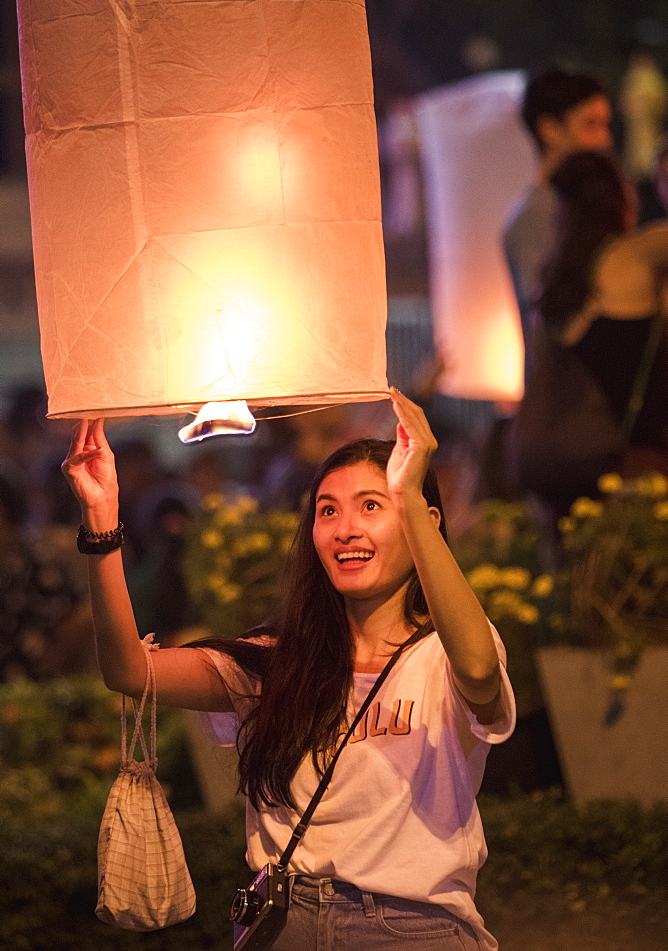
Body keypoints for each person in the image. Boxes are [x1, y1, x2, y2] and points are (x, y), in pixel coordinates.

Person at [61, 389, 515, 951]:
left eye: (372, 506)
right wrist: (102, 522)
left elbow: (478, 668)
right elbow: (131, 671)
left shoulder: (447, 652)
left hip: (410, 928)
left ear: (423, 520)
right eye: (328, 510)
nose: (345, 528)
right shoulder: (277, 659)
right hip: (280, 924)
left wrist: (410, 489)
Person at [537, 150, 668, 492]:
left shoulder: (555, 282)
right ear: (618, 198)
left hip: (566, 470)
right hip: (637, 464)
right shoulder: (635, 257)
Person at [504, 68, 613, 379]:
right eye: (591, 125)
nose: (603, 140)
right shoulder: (538, 216)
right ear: (549, 129)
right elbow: (555, 319)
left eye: (605, 125)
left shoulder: (580, 208)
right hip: (566, 406)